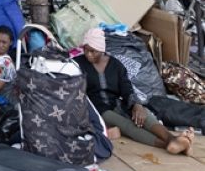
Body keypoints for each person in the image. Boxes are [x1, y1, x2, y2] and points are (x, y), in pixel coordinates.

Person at [74, 27, 194, 155]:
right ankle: (170, 144)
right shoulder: (78, 64)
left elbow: (126, 87)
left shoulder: (116, 65)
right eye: (86, 50)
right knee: (127, 126)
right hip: (98, 110)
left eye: (93, 51)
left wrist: (136, 105)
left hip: (117, 103)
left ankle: (173, 139)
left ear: (102, 49)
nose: (88, 54)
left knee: (144, 115)